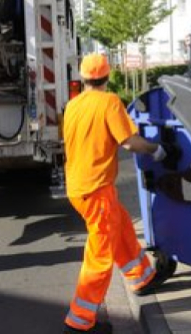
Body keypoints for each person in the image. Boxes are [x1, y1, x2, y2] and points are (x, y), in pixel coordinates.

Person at [63, 53, 173, 334]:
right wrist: (155, 150)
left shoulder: (72, 106)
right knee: (99, 256)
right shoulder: (109, 102)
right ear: (107, 76)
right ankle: (79, 323)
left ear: (83, 77)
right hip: (95, 188)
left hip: (81, 186)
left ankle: (142, 277)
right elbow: (129, 142)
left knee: (122, 225)